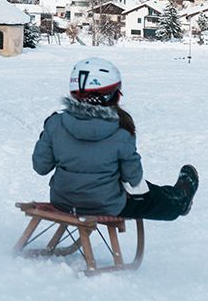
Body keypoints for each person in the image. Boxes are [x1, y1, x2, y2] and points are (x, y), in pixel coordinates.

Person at [32, 57, 199, 220]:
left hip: (64, 202)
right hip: (106, 204)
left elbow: (41, 167)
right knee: (149, 197)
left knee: (137, 190)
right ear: (114, 95)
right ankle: (180, 200)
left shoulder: (55, 123)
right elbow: (133, 178)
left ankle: (176, 196)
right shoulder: (121, 129)